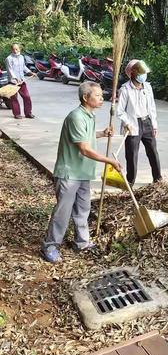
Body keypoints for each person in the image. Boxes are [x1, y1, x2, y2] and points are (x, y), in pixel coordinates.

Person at [41, 81, 121, 263]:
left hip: (83, 172)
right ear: (86, 97)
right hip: (70, 173)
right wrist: (110, 161)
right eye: (98, 96)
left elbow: (86, 137)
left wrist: (102, 133)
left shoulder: (89, 116)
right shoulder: (76, 117)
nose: (102, 98)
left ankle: (82, 242)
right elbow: (84, 149)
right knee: (63, 212)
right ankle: (50, 246)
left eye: (102, 95)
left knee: (83, 209)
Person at [117, 59, 162, 185]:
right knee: (132, 155)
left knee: (153, 151)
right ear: (133, 74)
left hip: (147, 122)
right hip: (132, 125)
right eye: (141, 73)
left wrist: (154, 124)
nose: (144, 75)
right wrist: (127, 123)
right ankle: (130, 182)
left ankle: (158, 179)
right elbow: (120, 111)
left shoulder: (147, 87)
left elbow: (152, 107)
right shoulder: (125, 90)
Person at [4, 43, 35, 119]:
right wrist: (15, 78)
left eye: (16, 49)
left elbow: (24, 67)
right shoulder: (9, 58)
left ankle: (28, 113)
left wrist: (30, 72)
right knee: (14, 99)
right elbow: (10, 70)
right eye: (13, 49)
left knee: (27, 97)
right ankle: (17, 114)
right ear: (11, 50)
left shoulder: (21, 57)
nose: (15, 51)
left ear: (19, 49)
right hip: (13, 82)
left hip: (21, 81)